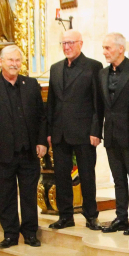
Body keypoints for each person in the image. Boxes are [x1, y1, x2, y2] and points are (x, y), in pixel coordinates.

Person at [0, 45, 47, 248]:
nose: (15, 64)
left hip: (28, 153)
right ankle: (10, 234)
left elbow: (42, 117)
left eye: (18, 60)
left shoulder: (31, 84)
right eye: (10, 60)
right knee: (6, 195)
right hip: (2, 154)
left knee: (28, 194)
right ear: (0, 62)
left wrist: (41, 141)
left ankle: (30, 233)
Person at [46, 30, 104, 231]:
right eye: (63, 43)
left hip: (84, 132)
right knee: (61, 175)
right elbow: (51, 102)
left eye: (70, 43)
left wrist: (96, 131)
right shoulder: (55, 68)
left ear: (80, 43)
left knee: (87, 175)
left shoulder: (93, 67)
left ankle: (91, 216)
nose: (66, 47)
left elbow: (98, 103)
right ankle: (65, 216)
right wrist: (49, 131)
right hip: (60, 131)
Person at [98, 32, 129, 235]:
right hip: (110, 133)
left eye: (108, 48)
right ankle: (121, 217)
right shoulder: (102, 74)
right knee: (118, 178)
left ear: (120, 48)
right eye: (103, 48)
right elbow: (100, 106)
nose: (104, 52)